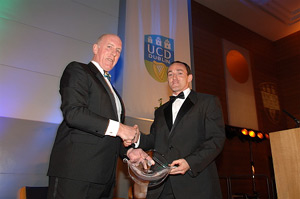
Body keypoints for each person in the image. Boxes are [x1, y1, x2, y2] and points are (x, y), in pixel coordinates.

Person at [47, 34, 146, 199]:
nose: (113, 53)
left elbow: (112, 135)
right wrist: (121, 128)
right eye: (109, 47)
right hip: (76, 174)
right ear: (95, 48)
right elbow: (74, 113)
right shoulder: (78, 70)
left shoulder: (114, 92)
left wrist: (129, 152)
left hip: (104, 179)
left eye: (118, 51)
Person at [128, 61, 226, 199]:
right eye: (170, 74)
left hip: (194, 184)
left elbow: (216, 139)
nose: (174, 77)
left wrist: (190, 163)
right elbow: (153, 139)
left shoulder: (207, 102)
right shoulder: (161, 111)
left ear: (189, 78)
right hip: (161, 186)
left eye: (179, 73)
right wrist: (136, 137)